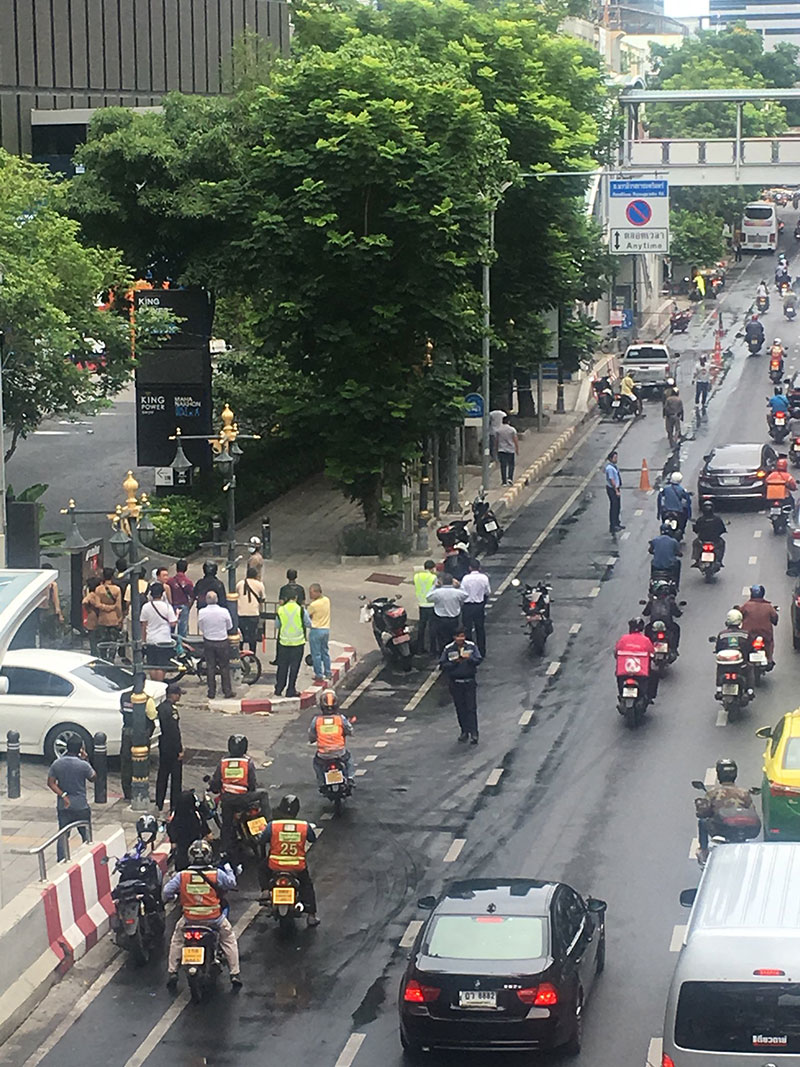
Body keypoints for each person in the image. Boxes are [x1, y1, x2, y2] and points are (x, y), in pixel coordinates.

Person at [163, 839, 241, 992]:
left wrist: (172, 898)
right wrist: (228, 868)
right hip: (214, 919)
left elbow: (167, 892)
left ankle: (172, 972)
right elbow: (231, 884)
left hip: (189, 919)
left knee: (177, 940)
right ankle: (235, 974)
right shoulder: (216, 874)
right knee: (229, 938)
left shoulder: (182, 876)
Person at [256, 795, 320, 927]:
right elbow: (313, 839)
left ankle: (266, 890)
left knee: (261, 869)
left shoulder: (273, 825)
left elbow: (262, 840)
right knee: (306, 885)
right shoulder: (304, 826)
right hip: (297, 867)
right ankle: (311, 915)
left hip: (274, 866)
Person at [208, 734, 267, 859]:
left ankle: (224, 850)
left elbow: (216, 782)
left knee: (226, 826)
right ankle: (269, 824)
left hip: (228, 801)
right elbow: (252, 784)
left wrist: (214, 787)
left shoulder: (223, 763)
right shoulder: (247, 763)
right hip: (245, 799)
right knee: (263, 794)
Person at [695, 758, 756, 864]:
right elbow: (752, 811)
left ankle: (703, 851)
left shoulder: (713, 793)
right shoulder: (744, 793)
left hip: (719, 830)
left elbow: (704, 813)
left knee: (702, 822)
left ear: (719, 775)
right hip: (741, 831)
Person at [47, 735, 96, 861]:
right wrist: (86, 759)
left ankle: (62, 860)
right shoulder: (83, 765)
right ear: (80, 749)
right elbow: (93, 778)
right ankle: (88, 857)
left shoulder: (57, 764)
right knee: (86, 834)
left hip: (64, 806)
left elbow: (51, 783)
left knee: (63, 835)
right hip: (81, 806)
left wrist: (63, 795)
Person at [439, 626, 482, 744]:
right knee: (460, 708)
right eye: (458, 636)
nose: (461, 639)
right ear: (454, 637)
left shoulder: (471, 646)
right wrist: (454, 662)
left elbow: (478, 660)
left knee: (471, 708)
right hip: (455, 683)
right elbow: (442, 665)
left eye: (462, 636)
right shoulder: (448, 649)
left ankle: (474, 733)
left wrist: (469, 659)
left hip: (469, 681)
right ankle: (464, 731)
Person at [119, 672, 157, 800]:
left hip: (126, 734)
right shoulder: (147, 699)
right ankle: (141, 792)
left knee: (126, 764)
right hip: (141, 736)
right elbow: (152, 717)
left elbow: (123, 712)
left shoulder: (124, 697)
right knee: (141, 765)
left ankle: (127, 793)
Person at [308, 689, 354, 787]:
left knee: (316, 764)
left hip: (323, 755)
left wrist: (312, 739)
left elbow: (311, 734)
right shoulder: (340, 719)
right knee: (349, 759)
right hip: (339, 753)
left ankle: (321, 782)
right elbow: (349, 729)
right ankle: (350, 778)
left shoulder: (317, 720)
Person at [198, 590, 234, 700]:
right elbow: (230, 626)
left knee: (210, 667)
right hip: (222, 641)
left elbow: (200, 626)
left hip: (209, 641)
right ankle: (227, 691)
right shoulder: (224, 611)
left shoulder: (202, 612)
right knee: (224, 667)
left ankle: (211, 692)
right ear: (217, 599)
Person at [140, 582, 177, 682]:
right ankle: (160, 683)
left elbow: (144, 625)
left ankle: (154, 683)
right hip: (164, 639)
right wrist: (177, 615)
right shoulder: (167, 607)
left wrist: (143, 640)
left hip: (151, 639)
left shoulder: (146, 607)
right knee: (162, 664)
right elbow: (173, 623)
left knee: (152, 664)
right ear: (163, 593)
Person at [614, 617, 658, 702]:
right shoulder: (645, 640)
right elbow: (652, 652)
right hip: (641, 673)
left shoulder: (623, 639)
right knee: (654, 675)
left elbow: (616, 651)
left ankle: (621, 695)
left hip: (624, 672)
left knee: (618, 676)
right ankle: (649, 696)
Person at [156, 684, 184, 813]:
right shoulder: (172, 710)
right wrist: (179, 749)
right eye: (178, 694)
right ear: (172, 695)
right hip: (172, 747)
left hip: (163, 745)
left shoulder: (160, 707)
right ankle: (175, 804)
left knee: (162, 775)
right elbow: (174, 731)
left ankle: (159, 802)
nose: (179, 697)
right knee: (175, 778)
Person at [167, 790, 212, 872]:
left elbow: (171, 831)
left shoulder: (176, 818)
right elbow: (209, 835)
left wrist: (173, 842)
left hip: (181, 860)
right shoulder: (197, 817)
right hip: (198, 857)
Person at [714, 609, 755, 698]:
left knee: (719, 668)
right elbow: (750, 648)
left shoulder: (722, 635)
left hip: (725, 666)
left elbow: (718, 649)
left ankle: (719, 689)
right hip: (741, 665)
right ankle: (750, 691)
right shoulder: (745, 634)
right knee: (750, 668)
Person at [275, 589, 306, 698]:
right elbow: (307, 623)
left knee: (282, 666)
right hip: (298, 643)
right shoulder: (301, 610)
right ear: (296, 598)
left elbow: (277, 625)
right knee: (294, 667)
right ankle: (290, 689)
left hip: (284, 642)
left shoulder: (281, 610)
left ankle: (279, 688)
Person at [739, 585, 779, 668]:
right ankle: (769, 660)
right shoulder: (769, 607)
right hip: (765, 635)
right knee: (769, 643)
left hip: (748, 634)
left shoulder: (746, 606)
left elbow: (739, 616)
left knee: (743, 644)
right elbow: (775, 620)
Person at [428, 573, 468, 654]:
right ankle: (453, 655)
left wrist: (435, 586)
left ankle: (442, 656)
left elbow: (428, 597)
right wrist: (459, 586)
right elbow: (466, 595)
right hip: (454, 619)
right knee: (452, 639)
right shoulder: (457, 592)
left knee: (441, 639)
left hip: (440, 619)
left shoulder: (437, 592)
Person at [460, 558, 491, 658]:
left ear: (469, 568)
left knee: (467, 629)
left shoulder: (465, 578)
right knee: (480, 629)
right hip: (479, 606)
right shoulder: (484, 578)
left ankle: (469, 650)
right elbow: (488, 592)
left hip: (468, 606)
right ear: (479, 567)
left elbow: (462, 593)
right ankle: (482, 651)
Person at [642, 580, 682, 652]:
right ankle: (674, 648)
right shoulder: (670, 600)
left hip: (653, 624)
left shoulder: (652, 600)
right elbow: (677, 613)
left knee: (647, 629)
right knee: (676, 629)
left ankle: (647, 648)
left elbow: (646, 613)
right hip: (668, 624)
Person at [94, 567, 124, 659]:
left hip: (102, 618)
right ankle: (111, 659)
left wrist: (105, 607)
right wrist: (120, 617)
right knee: (113, 641)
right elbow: (118, 606)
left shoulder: (98, 589)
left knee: (102, 640)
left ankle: (103, 658)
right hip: (114, 617)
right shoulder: (117, 589)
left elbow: (97, 604)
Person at [236, 565, 265, 652]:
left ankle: (240, 651)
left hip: (240, 613)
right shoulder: (259, 584)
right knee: (252, 635)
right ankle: (252, 653)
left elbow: (236, 595)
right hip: (253, 613)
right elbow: (262, 598)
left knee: (241, 634)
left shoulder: (240, 584)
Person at [307, 583, 332, 683]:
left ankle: (319, 674)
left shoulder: (313, 605)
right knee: (325, 652)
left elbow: (307, 616)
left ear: (317, 592)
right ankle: (328, 672)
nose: (310, 595)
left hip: (316, 630)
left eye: (311, 592)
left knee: (316, 654)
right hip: (325, 629)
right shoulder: (327, 600)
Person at [692, 499, 726, 565]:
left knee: (695, 543)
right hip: (715, 540)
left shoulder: (700, 520)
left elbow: (696, 529)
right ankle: (719, 560)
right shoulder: (717, 519)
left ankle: (696, 559)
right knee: (722, 543)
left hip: (702, 540)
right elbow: (722, 529)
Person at [413, 560, 437, 655]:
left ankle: (420, 648)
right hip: (431, 604)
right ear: (432, 568)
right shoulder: (433, 577)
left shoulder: (417, 576)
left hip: (421, 604)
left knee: (421, 627)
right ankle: (433, 649)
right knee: (432, 627)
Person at [657, 471, 692, 535]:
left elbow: (659, 500)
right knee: (682, 523)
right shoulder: (681, 490)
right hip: (678, 512)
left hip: (666, 511)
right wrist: (689, 515)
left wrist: (659, 513)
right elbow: (688, 503)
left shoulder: (665, 489)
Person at [167, 560, 195, 639]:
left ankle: (170, 643)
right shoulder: (188, 582)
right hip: (184, 605)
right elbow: (192, 596)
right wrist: (189, 606)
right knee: (182, 629)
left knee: (170, 628)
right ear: (186, 569)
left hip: (172, 606)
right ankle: (182, 646)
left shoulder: (170, 581)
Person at [649, 523, 682, 589]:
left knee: (653, 562)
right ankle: (676, 585)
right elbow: (678, 552)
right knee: (678, 563)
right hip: (670, 566)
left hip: (656, 566)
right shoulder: (673, 541)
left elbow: (650, 550)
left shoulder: (655, 540)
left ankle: (651, 582)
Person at [496, 415, 519, 486]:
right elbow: (515, 440)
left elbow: (496, 441)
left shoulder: (498, 430)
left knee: (503, 465)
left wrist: (496, 449)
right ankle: (510, 478)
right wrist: (517, 449)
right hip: (510, 450)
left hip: (501, 450)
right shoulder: (512, 430)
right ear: (509, 422)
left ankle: (504, 481)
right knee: (511, 464)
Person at [605, 450, 624, 533]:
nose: (616, 459)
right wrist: (616, 490)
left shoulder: (614, 467)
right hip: (612, 489)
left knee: (618, 507)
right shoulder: (609, 468)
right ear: (611, 458)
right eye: (615, 458)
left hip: (616, 488)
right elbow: (612, 480)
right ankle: (613, 525)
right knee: (614, 507)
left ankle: (617, 523)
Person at [82, 576, 101, 656]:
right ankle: (95, 653)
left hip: (92, 617)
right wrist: (89, 609)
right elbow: (84, 602)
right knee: (94, 637)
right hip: (94, 616)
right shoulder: (92, 594)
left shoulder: (92, 593)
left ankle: (94, 652)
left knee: (93, 637)